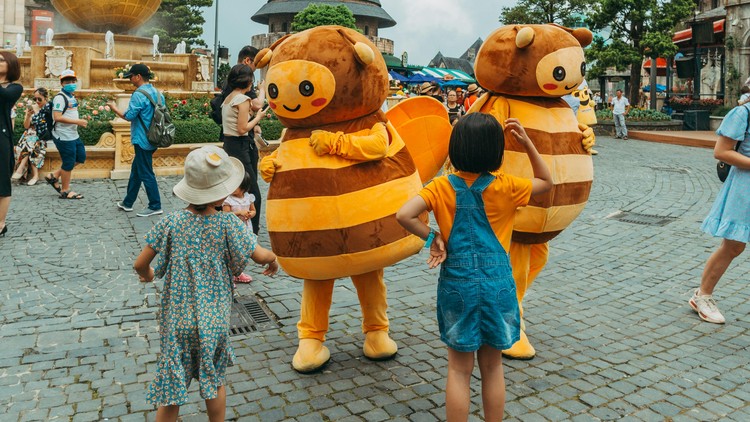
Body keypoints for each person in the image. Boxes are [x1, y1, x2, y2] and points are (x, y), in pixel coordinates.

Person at [396, 113, 552, 421]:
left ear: (456, 148)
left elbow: (404, 215)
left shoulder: (440, 187)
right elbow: (547, 182)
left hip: (458, 284)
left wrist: (434, 238)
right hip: (498, 285)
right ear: (496, 151)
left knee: (458, 370)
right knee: (493, 368)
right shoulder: (506, 187)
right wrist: (528, 143)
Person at [134, 145, 278, 422]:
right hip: (213, 319)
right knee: (215, 381)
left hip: (176, 320)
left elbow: (140, 264)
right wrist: (273, 260)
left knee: (172, 387)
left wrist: (148, 275)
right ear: (222, 190)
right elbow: (260, 256)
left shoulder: (172, 222)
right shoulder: (229, 224)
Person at [690, 103, 750, 324]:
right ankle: (702, 296)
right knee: (734, 245)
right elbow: (721, 151)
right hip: (745, 186)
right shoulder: (743, 113)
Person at [108, 63, 163, 217]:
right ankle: (128, 202)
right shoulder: (158, 93)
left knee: (146, 172)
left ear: (138, 77)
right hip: (155, 137)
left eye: (131, 76)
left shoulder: (139, 94)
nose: (130, 79)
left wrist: (114, 108)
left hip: (142, 139)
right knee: (137, 170)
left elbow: (128, 116)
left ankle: (155, 205)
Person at [221, 64, 266, 234]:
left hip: (229, 145)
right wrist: (258, 118)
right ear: (248, 81)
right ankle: (251, 234)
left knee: (232, 187)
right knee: (253, 191)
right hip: (240, 147)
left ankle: (233, 228)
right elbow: (242, 129)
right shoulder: (243, 100)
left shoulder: (228, 98)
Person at [46, 69, 87, 199]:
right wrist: (78, 122)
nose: (71, 83)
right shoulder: (60, 97)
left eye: (73, 81)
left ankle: (54, 175)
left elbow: (69, 113)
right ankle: (65, 191)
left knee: (80, 157)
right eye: (68, 81)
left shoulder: (71, 96)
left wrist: (79, 120)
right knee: (68, 163)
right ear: (62, 83)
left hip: (73, 135)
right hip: (63, 136)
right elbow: (57, 117)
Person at [0, 51, 23, 237]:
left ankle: (0, 223)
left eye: (1, 60)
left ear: (10, 65)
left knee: (2, 184)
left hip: (2, 138)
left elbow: (5, 97)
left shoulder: (14, 88)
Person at [222, 171, 256, 283]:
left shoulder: (248, 197)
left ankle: (239, 272)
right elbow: (225, 215)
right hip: (233, 229)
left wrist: (251, 214)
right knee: (233, 251)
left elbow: (253, 210)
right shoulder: (228, 200)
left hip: (245, 227)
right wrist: (240, 212)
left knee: (243, 251)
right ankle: (230, 274)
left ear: (244, 187)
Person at [12, 87, 49, 185]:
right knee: (31, 142)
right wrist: (28, 116)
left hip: (42, 136)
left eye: (39, 99)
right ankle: (35, 176)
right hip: (29, 135)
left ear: (46, 98)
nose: (37, 101)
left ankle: (20, 169)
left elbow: (47, 126)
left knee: (31, 141)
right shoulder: (32, 107)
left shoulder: (48, 109)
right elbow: (26, 126)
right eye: (35, 99)